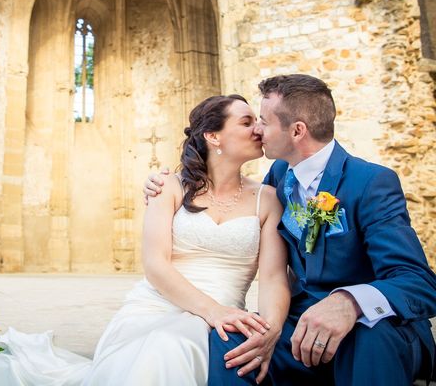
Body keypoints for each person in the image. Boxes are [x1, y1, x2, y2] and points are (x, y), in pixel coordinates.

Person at [0, 94, 289, 386]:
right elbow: (156, 266)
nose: (258, 128)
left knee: (175, 347)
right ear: (213, 137)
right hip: (157, 309)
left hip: (226, 316)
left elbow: (272, 278)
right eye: (246, 120)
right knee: (165, 346)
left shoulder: (267, 198)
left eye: (258, 120)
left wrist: (267, 331)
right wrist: (212, 311)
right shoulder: (169, 187)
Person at [144, 74, 436, 385]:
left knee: (370, 337)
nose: (257, 130)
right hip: (300, 323)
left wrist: (349, 302)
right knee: (232, 342)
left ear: (297, 131)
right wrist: (160, 187)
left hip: (372, 330)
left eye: (264, 122)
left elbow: (419, 282)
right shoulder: (279, 178)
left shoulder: (371, 182)